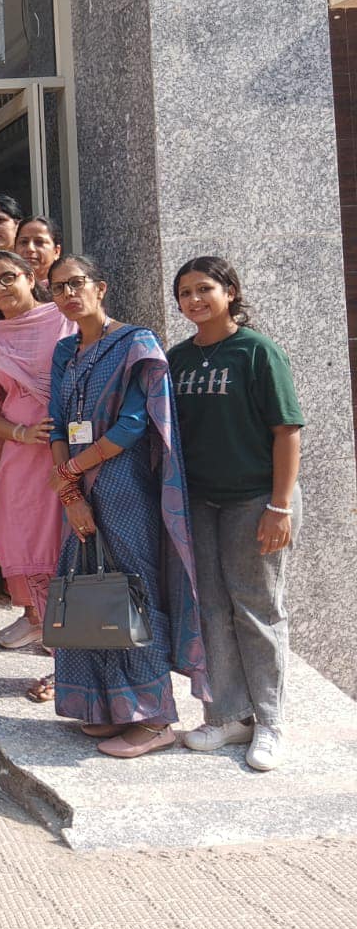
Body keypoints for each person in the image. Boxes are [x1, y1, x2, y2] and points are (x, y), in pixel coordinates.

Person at [46, 255, 207, 759]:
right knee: (87, 586)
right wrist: (70, 493)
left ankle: (155, 719)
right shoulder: (64, 351)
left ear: (100, 287)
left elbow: (134, 423)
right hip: (79, 486)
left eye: (76, 283)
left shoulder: (136, 343)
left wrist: (73, 471)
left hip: (125, 486)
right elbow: (56, 424)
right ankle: (107, 706)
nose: (68, 294)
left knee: (132, 590)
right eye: (57, 288)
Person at [170, 257, 303, 771]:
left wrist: (279, 506)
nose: (194, 299)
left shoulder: (257, 351)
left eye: (204, 288)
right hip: (200, 502)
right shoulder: (177, 358)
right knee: (211, 609)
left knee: (257, 608)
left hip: (256, 500)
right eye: (185, 292)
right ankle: (227, 715)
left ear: (229, 292)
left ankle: (270, 721)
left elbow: (286, 431)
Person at [0, 251, 73, 680]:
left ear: (29, 277)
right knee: (30, 549)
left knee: (69, 547)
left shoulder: (65, 319)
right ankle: (56, 652)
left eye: (8, 277)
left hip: (76, 452)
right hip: (24, 458)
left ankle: (73, 660)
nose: (1, 288)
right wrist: (22, 433)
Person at [14, 215, 63, 288]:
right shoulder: (4, 289)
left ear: (56, 251)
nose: (30, 249)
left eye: (39, 242)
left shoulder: (67, 290)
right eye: (24, 242)